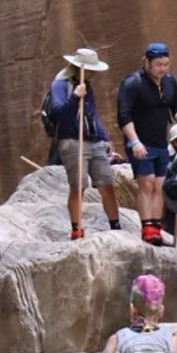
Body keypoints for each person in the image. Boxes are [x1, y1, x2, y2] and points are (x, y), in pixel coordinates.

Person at [116, 44, 177, 245]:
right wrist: (134, 141)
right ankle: (147, 227)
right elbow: (123, 115)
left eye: (166, 64)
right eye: (158, 65)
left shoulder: (169, 82)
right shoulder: (133, 83)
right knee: (146, 182)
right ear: (147, 62)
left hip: (161, 141)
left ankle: (156, 229)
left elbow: (176, 106)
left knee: (160, 185)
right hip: (140, 141)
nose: (163, 69)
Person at [47, 48, 121, 240]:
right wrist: (74, 97)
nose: (93, 73)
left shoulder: (86, 84)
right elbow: (58, 113)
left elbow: (92, 114)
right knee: (78, 186)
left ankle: (116, 227)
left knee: (107, 183)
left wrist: (104, 137)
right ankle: (76, 229)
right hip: (72, 140)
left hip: (93, 139)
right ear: (80, 67)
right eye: (90, 69)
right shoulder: (60, 84)